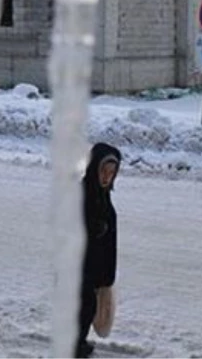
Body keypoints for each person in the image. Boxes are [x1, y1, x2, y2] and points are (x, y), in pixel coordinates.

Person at [76, 142, 122, 358]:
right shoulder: (81, 194)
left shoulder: (102, 195)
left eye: (112, 173)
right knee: (83, 309)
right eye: (103, 171)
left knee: (87, 309)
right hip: (78, 266)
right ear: (94, 168)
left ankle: (77, 344)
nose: (107, 177)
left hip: (94, 267)